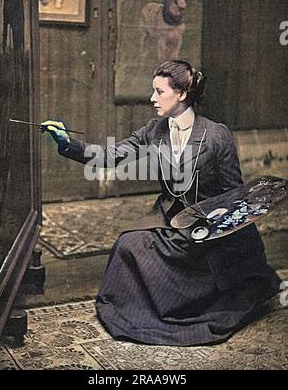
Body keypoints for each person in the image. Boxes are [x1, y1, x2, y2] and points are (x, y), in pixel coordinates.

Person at [40, 59, 282, 346]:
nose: (152, 98)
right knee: (127, 245)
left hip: (211, 228)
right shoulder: (154, 130)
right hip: (171, 219)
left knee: (221, 276)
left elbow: (234, 194)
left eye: (159, 91)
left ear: (181, 94)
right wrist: (68, 144)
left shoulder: (217, 136)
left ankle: (195, 304)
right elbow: (109, 156)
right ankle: (146, 312)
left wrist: (224, 232)